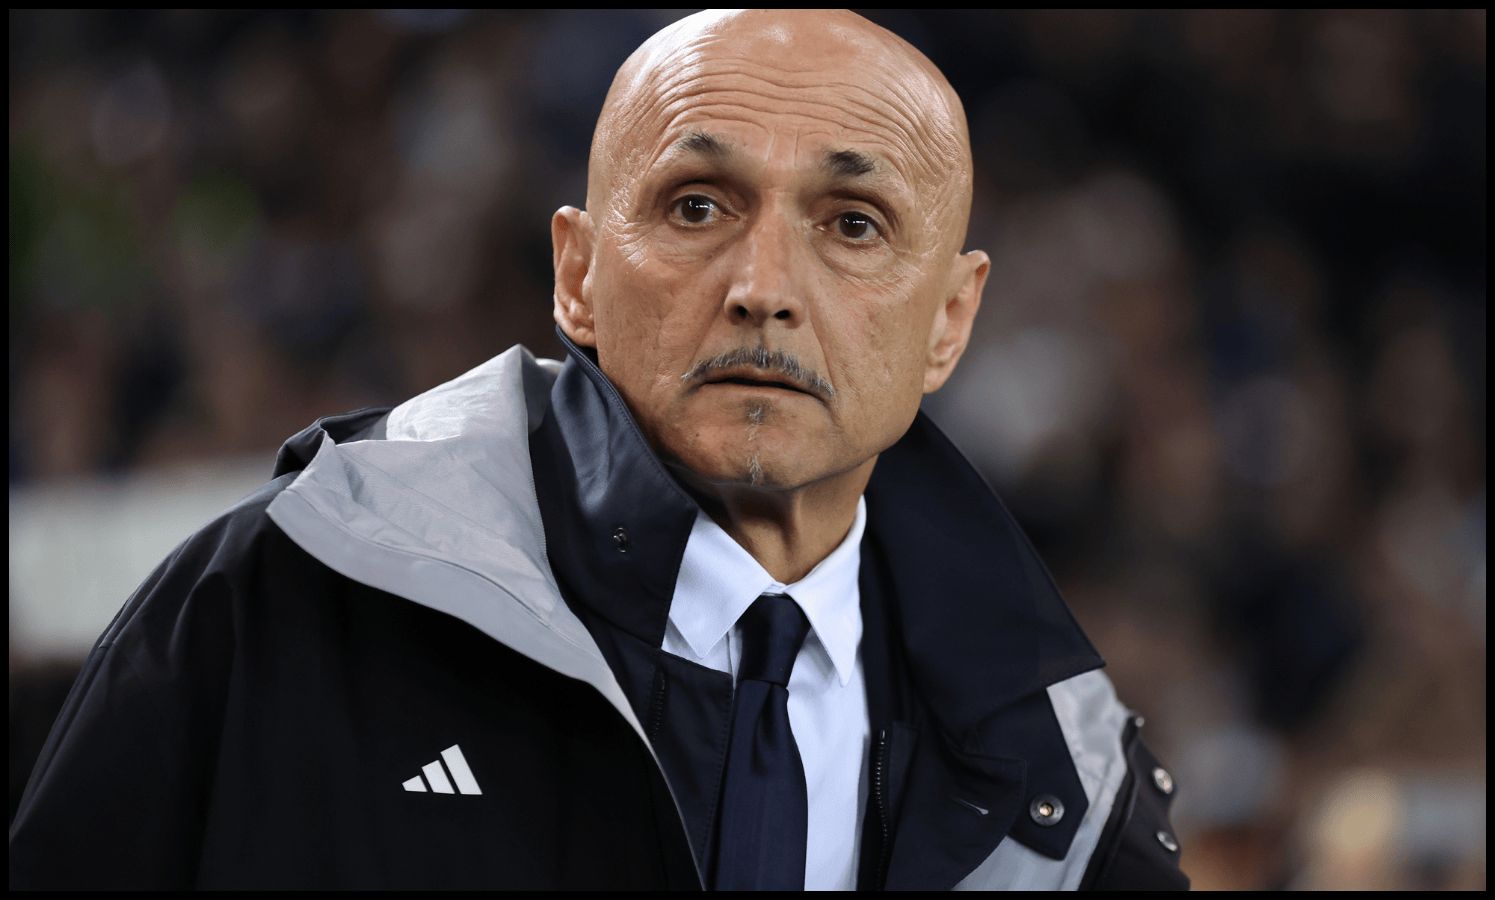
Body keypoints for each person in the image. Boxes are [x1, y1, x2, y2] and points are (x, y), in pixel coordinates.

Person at [8, 9, 1189, 891]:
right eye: (695, 206)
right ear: (575, 273)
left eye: (852, 225)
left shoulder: (1070, 795)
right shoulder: (270, 611)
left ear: (948, 321)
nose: (764, 288)